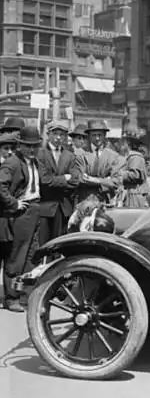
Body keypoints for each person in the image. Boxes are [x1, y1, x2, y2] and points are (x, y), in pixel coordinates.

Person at [0, 127, 42, 312]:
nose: (32, 150)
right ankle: (11, 298)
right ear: (20, 145)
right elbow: (1, 186)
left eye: (35, 146)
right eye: (28, 146)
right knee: (16, 257)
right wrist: (13, 204)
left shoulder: (34, 161)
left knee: (31, 256)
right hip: (20, 214)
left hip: (34, 210)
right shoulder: (12, 162)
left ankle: (24, 294)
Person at [37, 120, 80, 244]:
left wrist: (57, 181)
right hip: (45, 206)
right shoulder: (40, 154)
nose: (58, 138)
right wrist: (64, 178)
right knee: (42, 243)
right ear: (48, 134)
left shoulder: (69, 155)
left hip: (63, 206)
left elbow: (75, 180)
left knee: (58, 244)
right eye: (55, 134)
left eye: (62, 135)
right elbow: (44, 180)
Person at [75, 120, 123, 205]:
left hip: (105, 200)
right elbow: (81, 178)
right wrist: (106, 180)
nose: (97, 138)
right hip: (84, 200)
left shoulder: (113, 156)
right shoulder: (80, 154)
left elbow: (116, 181)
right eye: (94, 135)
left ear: (104, 136)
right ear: (89, 136)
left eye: (100, 135)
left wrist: (95, 180)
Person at [114, 129, 150, 208]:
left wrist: (120, 173)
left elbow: (135, 175)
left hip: (135, 194)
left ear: (127, 145)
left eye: (122, 144)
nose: (120, 146)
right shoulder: (130, 157)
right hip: (131, 193)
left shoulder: (135, 157)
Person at [0, 133, 16, 304]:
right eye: (5, 148)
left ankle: (11, 297)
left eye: (12, 149)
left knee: (10, 258)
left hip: (8, 219)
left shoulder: (12, 167)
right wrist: (14, 202)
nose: (9, 152)